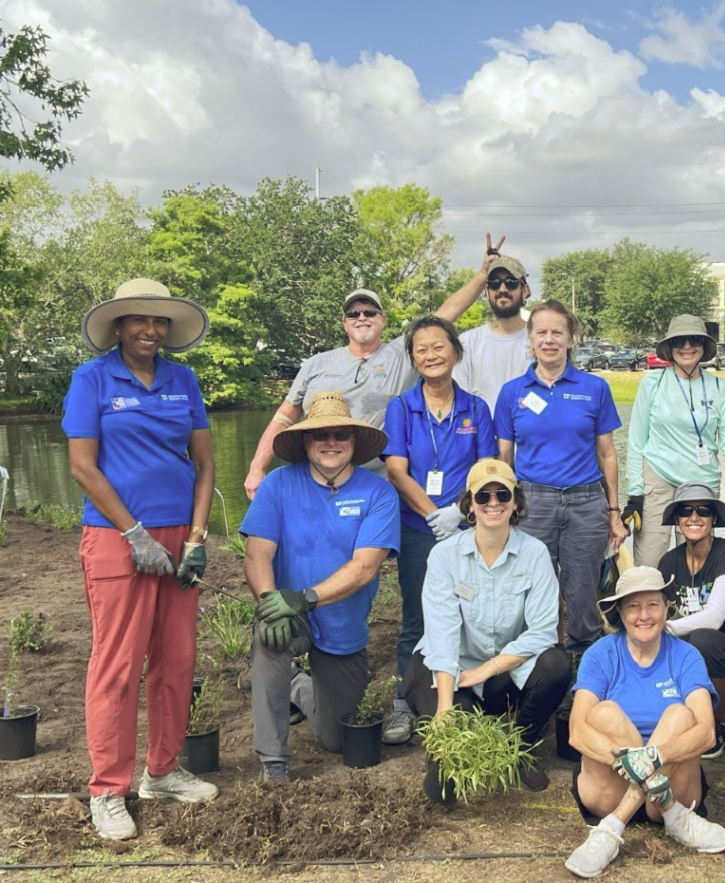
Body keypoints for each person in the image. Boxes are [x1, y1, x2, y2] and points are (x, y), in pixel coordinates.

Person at [64, 278, 218, 841]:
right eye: (138, 321)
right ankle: (108, 788)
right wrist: (134, 533)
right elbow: (83, 467)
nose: (150, 331)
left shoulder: (184, 379)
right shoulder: (93, 378)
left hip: (179, 534)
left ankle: (162, 771)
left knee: (176, 659)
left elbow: (203, 464)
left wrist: (197, 537)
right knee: (118, 664)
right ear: (119, 327)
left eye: (159, 323)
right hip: (114, 535)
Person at [243, 234, 507, 498]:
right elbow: (283, 418)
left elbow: (445, 315)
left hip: (375, 487)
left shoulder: (400, 355)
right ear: (344, 322)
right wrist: (256, 468)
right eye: (353, 314)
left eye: (370, 312)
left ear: (383, 319)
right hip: (316, 481)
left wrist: (484, 273)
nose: (361, 317)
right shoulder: (316, 363)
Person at [241, 392, 400, 782]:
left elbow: (365, 567)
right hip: (289, 616)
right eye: (320, 435)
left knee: (336, 739)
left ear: (353, 442)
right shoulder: (277, 485)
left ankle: (299, 686)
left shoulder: (378, 493)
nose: (331, 442)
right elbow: (256, 553)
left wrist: (306, 598)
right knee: (270, 640)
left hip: (342, 621)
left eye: (340, 434)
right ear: (305, 442)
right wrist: (269, 601)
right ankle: (274, 761)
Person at [404, 459, 570, 805]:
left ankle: (522, 747)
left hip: (502, 671)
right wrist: (446, 706)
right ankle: (453, 724)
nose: (493, 503)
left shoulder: (535, 554)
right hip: (448, 668)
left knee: (556, 665)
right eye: (483, 496)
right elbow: (442, 630)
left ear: (516, 503)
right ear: (469, 505)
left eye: (502, 495)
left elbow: (542, 631)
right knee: (443, 791)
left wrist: (486, 669)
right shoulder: (445, 556)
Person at [565, 567, 725, 878]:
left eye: (653, 604)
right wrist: (629, 760)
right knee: (604, 714)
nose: (644, 615)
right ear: (619, 611)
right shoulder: (600, 654)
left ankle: (611, 829)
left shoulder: (686, 655)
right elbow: (577, 731)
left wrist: (655, 756)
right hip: (610, 788)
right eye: (633, 606)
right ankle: (677, 819)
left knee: (681, 715)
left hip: (671, 789)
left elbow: (707, 733)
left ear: (667, 607)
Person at [380, 316, 498, 746]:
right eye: (421, 350)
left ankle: (466, 697)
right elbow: (396, 469)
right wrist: (435, 516)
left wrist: (459, 513)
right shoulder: (402, 408)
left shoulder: (476, 408)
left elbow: (487, 471)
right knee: (416, 617)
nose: (430, 355)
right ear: (413, 358)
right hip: (418, 530)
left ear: (455, 352)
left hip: (467, 527)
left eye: (438, 347)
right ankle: (401, 703)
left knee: (468, 610)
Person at [494, 300, 628, 654]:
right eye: (542, 332)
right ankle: (539, 660)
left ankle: (583, 662)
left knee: (582, 588)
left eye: (558, 332)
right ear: (530, 339)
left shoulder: (594, 388)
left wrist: (614, 512)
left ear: (571, 339)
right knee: (532, 586)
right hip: (532, 502)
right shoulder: (512, 393)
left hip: (585, 502)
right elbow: (504, 457)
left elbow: (607, 453)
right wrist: (504, 509)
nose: (549, 339)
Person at [623, 314, 725, 567]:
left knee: (696, 566)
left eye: (695, 339)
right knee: (650, 564)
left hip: (702, 482)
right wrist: (634, 495)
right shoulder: (652, 383)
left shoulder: (719, 386)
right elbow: (636, 442)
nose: (687, 346)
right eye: (679, 341)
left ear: (705, 346)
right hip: (658, 476)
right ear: (669, 347)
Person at [655, 482, 725, 759]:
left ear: (713, 519)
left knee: (703, 639)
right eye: (686, 510)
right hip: (687, 658)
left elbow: (714, 618)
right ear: (676, 519)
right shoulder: (668, 562)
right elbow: (660, 610)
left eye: (703, 511)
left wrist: (666, 628)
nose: (694, 517)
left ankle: (720, 724)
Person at [453, 251, 534, 413]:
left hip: (531, 436)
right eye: (494, 283)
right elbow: (459, 403)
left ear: (525, 290)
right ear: (486, 292)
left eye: (511, 282)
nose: (502, 289)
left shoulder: (541, 341)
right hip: (483, 436)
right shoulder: (467, 343)